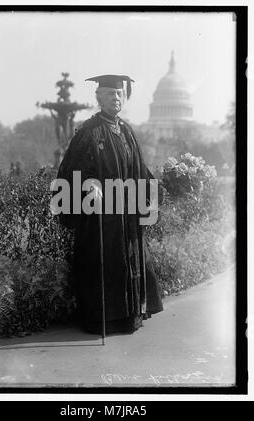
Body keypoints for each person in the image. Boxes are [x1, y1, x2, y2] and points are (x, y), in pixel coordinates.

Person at [54, 74, 163, 335]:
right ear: (99, 99)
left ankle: (129, 316)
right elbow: (70, 169)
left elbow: (138, 167)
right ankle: (102, 319)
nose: (115, 99)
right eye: (109, 95)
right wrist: (88, 184)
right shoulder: (89, 132)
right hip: (100, 214)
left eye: (119, 95)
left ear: (123, 98)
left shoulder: (126, 130)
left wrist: (151, 188)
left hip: (126, 210)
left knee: (129, 260)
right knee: (104, 261)